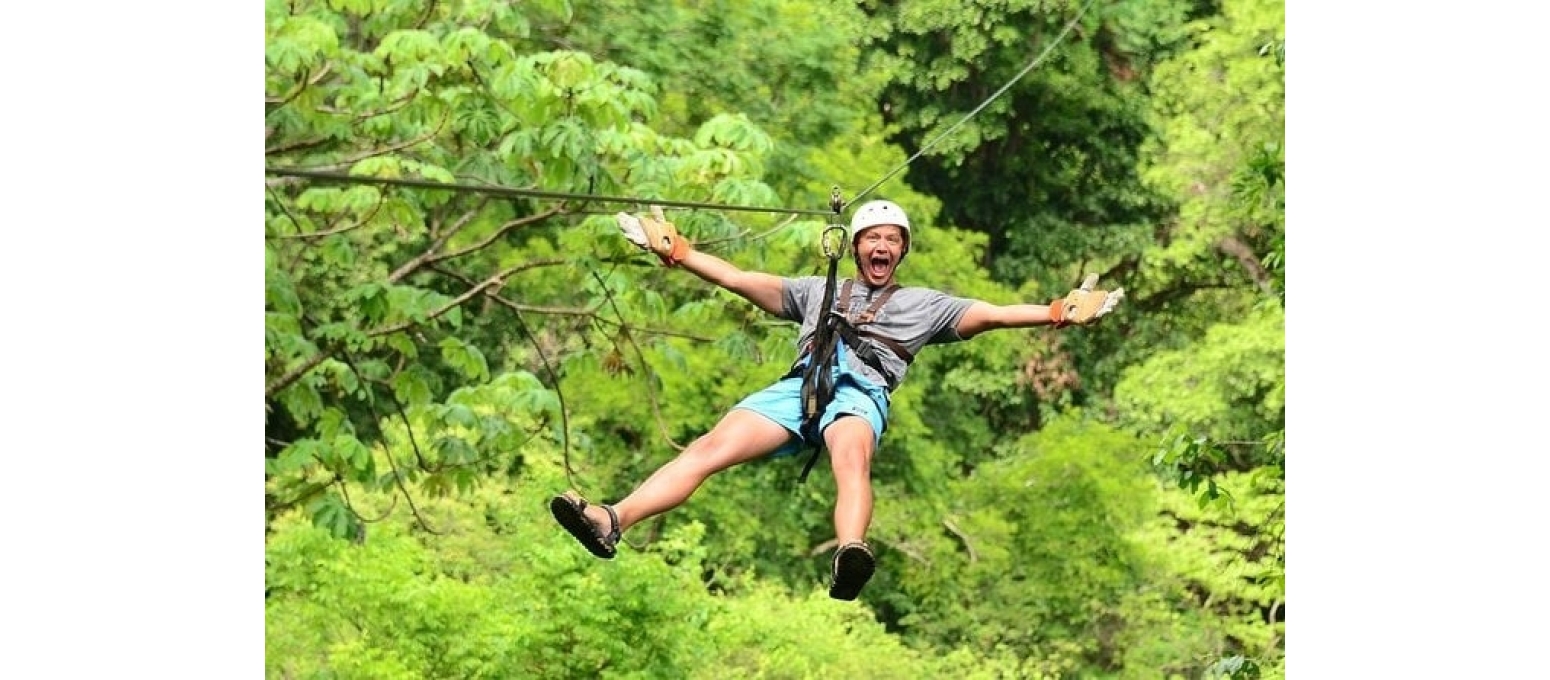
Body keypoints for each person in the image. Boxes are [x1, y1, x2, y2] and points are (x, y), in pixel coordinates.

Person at [550, 199, 1123, 600]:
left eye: (891, 241)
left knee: (851, 458)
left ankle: (851, 551)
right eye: (872, 239)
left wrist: (1054, 312)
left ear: (901, 252)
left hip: (859, 393)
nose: (881, 246)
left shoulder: (927, 304)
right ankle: (610, 519)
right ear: (855, 248)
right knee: (707, 448)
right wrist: (676, 250)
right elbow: (736, 277)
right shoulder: (814, 291)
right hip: (800, 390)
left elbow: (994, 314)